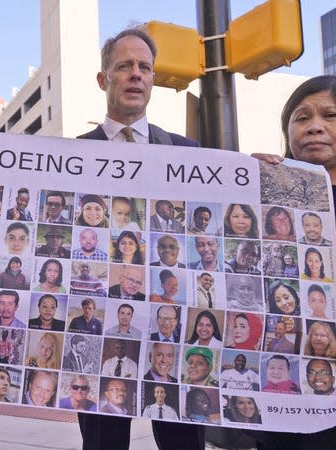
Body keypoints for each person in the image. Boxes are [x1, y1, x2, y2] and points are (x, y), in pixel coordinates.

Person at [76, 28, 203, 450]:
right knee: (103, 441)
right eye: (124, 66)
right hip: (107, 326)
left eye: (144, 67)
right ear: (103, 79)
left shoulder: (189, 151)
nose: (136, 75)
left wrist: (263, 171)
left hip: (171, 323)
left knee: (182, 439)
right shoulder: (69, 155)